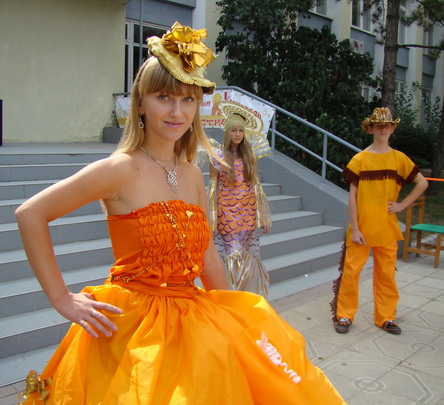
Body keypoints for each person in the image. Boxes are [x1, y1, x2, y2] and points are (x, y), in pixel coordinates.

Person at [16, 22, 344, 404]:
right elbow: (30, 214)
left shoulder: (190, 172)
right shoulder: (119, 169)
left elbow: (207, 256)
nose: (177, 111)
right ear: (141, 103)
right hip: (134, 331)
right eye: (163, 97)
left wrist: (234, 320)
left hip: (191, 320)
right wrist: (62, 298)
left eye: (188, 100)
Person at [330, 107, 428, 335]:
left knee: (386, 274)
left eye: (387, 126)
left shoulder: (399, 159)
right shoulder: (360, 159)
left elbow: (422, 183)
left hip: (386, 227)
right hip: (361, 228)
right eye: (379, 126)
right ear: (371, 129)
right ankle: (344, 315)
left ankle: (386, 317)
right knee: (351, 272)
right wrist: (355, 227)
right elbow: (352, 197)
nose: (383, 129)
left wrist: (402, 205)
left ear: (392, 129)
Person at [207, 104, 272, 298]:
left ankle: (246, 296)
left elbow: (256, 186)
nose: (238, 134)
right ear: (227, 132)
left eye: (241, 130)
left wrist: (263, 216)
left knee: (247, 255)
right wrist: (212, 221)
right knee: (231, 254)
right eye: (234, 130)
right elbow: (212, 188)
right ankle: (231, 296)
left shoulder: (249, 155)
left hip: (247, 210)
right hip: (226, 211)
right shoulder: (217, 156)